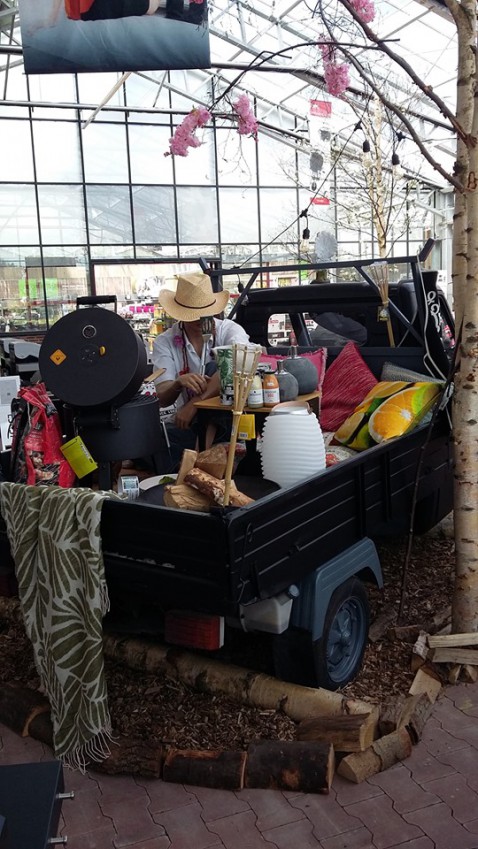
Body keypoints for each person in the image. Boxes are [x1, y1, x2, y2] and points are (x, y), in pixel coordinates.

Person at [151, 272, 249, 466]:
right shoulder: (165, 341)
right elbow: (162, 396)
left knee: (217, 367)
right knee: (154, 441)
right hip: (188, 424)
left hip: (230, 418)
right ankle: (203, 458)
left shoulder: (229, 330)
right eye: (193, 314)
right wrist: (178, 384)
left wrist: (195, 404)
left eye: (204, 313)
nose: (200, 319)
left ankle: (201, 458)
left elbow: (237, 364)